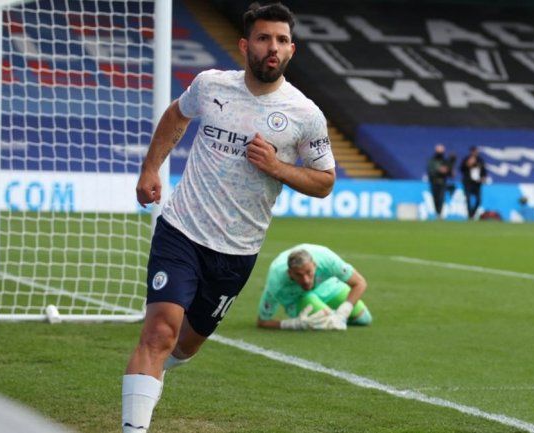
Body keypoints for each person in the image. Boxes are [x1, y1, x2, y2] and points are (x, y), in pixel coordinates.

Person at [122, 3, 336, 432]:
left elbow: (325, 181)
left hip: (237, 251)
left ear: (291, 49)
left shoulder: (305, 114)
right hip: (181, 229)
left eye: (280, 40)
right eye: (262, 38)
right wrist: (150, 167)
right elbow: (175, 116)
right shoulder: (210, 84)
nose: (271, 47)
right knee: (160, 333)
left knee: (185, 345)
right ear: (245, 45)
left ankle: (152, 374)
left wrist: (277, 167)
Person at [257, 244, 372, 331]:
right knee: (328, 321)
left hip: (328, 286)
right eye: (299, 275)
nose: (306, 280)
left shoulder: (328, 260)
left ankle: (334, 314)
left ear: (315, 265)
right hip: (298, 297)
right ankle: (328, 313)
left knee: (364, 319)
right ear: (290, 273)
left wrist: (343, 313)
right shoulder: (276, 279)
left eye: (309, 272)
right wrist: (293, 324)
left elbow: (360, 283)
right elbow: (262, 321)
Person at [426, 143, 455, 220]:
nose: (440, 153)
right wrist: (438, 170)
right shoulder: (432, 160)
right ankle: (437, 212)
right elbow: (430, 170)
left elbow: (449, 171)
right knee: (435, 198)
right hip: (434, 181)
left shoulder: (445, 161)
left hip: (442, 182)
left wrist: (449, 171)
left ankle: (439, 213)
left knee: (441, 198)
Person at [460, 146, 487, 220]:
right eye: (474, 151)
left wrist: (483, 178)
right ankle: (469, 215)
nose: (475, 153)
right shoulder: (466, 159)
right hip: (468, 182)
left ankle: (472, 214)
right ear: (471, 152)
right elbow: (461, 169)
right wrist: (468, 164)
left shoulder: (480, 160)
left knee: (478, 200)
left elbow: (484, 171)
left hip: (477, 183)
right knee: (468, 199)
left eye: (476, 151)